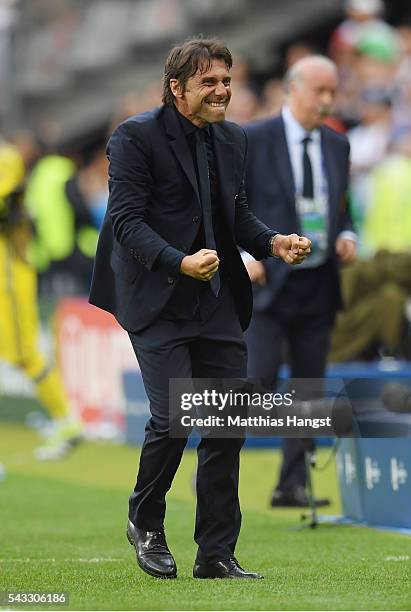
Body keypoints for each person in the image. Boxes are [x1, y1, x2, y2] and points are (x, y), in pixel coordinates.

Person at [89, 37, 311, 580]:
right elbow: (125, 221)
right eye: (208, 82)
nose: (221, 91)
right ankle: (145, 519)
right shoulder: (133, 137)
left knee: (225, 424)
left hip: (215, 298)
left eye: (227, 81)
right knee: (174, 418)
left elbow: (234, 214)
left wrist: (271, 242)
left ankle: (215, 553)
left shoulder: (232, 138)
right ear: (177, 88)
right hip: (155, 295)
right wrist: (179, 262)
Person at [243, 55, 357, 508]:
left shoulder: (337, 144)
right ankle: (211, 473)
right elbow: (235, 206)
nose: (327, 101)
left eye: (333, 92)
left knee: (308, 389)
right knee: (256, 381)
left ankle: (291, 485)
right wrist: (246, 256)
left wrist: (346, 235)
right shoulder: (254, 139)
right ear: (294, 89)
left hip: (320, 282)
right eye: (320, 91)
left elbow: (339, 206)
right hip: (267, 279)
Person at [0, 142, 83, 460]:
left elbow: (6, 205)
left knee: (25, 354)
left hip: (9, 276)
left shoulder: (7, 158)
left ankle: (67, 420)